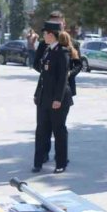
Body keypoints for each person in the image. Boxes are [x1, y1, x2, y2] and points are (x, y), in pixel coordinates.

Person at [32, 21, 73, 173]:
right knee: (41, 130)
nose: (43, 36)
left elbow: (63, 78)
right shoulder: (47, 50)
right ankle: (38, 162)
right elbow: (43, 76)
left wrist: (58, 99)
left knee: (59, 130)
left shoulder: (62, 52)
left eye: (45, 33)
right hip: (44, 97)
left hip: (58, 99)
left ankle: (61, 163)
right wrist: (37, 94)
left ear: (51, 34)